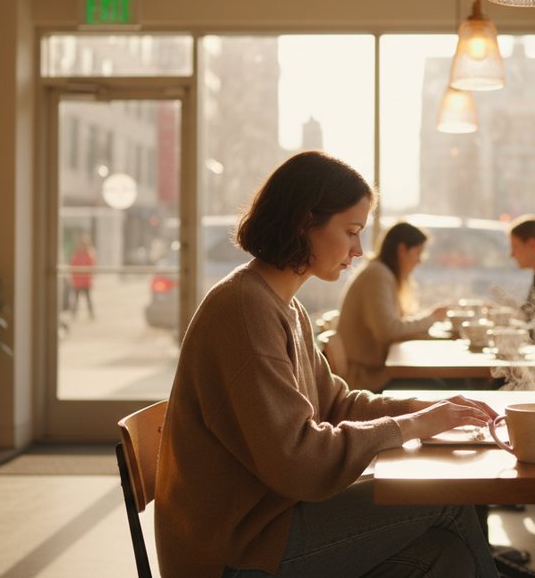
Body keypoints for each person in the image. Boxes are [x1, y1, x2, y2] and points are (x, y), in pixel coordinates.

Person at [154, 151, 499, 578]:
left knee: (443, 551)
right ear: (304, 223)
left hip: (268, 522)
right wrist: (411, 427)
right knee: (447, 499)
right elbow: (298, 460)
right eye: (352, 231)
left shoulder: (284, 306)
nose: (358, 249)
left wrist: (425, 411)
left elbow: (337, 403)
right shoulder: (245, 310)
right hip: (236, 549)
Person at [336, 222, 448, 392]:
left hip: (374, 370)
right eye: (418, 253)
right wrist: (431, 319)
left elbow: (392, 324)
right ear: (402, 249)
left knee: (439, 383)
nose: (419, 261)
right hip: (367, 377)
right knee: (440, 387)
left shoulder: (380, 272)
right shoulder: (377, 274)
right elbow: (387, 330)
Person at [69, 235, 95, 319]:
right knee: (76, 300)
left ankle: (91, 314)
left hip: (86, 282)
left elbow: (91, 269)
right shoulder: (76, 255)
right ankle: (74, 314)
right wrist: (73, 279)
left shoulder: (89, 255)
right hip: (78, 281)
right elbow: (73, 268)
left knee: (88, 299)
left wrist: (90, 280)